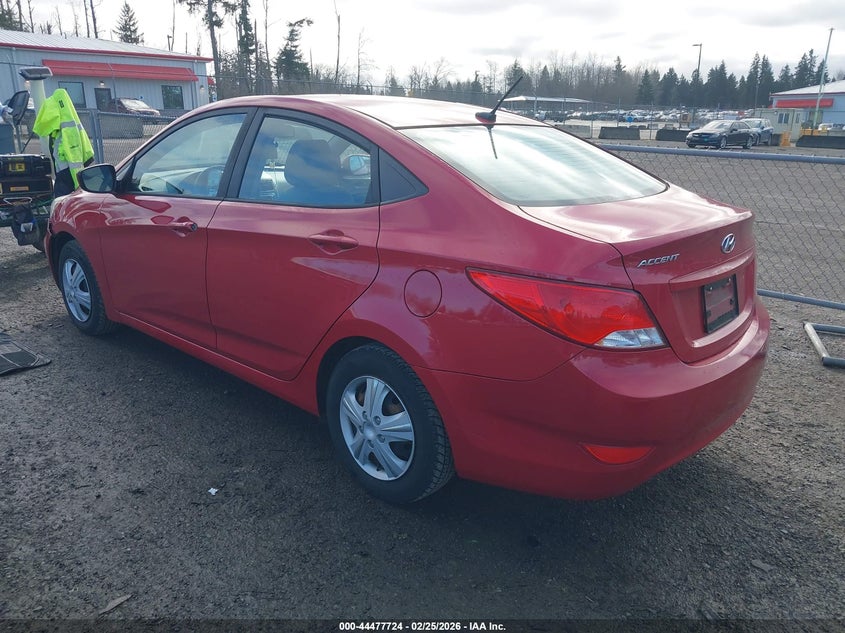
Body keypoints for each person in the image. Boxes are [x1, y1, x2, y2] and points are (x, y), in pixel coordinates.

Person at [32, 88, 94, 197]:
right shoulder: (69, 123)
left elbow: (41, 127)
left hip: (65, 175)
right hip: (69, 174)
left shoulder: (63, 128)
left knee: (62, 200)